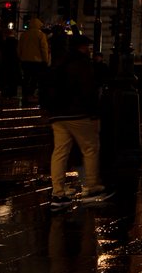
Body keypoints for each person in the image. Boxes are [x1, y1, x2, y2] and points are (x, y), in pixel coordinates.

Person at [43, 35, 106, 209]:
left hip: (57, 115)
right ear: (82, 47)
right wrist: (94, 112)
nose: (89, 50)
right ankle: (91, 187)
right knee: (90, 148)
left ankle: (58, 193)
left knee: (60, 152)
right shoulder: (82, 64)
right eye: (87, 47)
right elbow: (88, 90)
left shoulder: (59, 63)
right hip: (78, 113)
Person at [18, 16, 51, 104]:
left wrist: (20, 57)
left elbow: (19, 47)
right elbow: (44, 49)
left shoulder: (24, 35)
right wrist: (45, 60)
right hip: (37, 61)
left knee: (26, 77)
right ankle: (31, 94)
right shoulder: (41, 35)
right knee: (34, 78)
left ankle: (25, 93)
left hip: (25, 60)